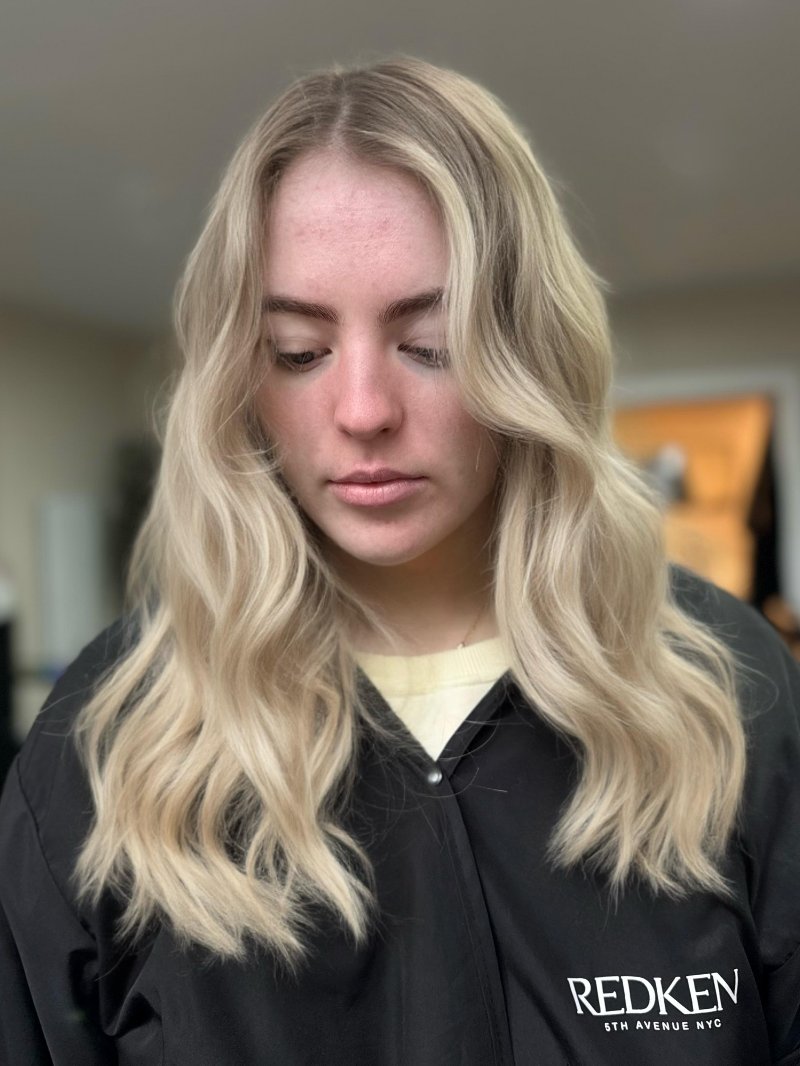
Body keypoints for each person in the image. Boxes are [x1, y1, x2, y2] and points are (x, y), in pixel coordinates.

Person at [1, 57, 798, 1066]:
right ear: (238, 375)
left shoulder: (721, 691)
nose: (364, 410)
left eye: (430, 342)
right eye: (299, 351)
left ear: (526, 348)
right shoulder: (110, 740)